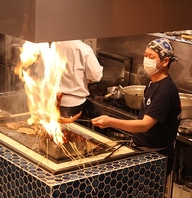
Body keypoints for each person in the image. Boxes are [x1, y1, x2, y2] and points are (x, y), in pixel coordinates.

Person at [92, 38, 181, 180]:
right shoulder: (153, 84)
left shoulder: (166, 91)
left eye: (151, 57)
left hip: (155, 157)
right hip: (142, 150)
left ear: (165, 62)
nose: (146, 60)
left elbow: (145, 125)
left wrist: (110, 122)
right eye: (145, 55)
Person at [55, 40, 103, 118]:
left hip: (50, 101)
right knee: (69, 129)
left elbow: (39, 72)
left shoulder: (50, 46)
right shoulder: (83, 49)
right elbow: (96, 76)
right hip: (74, 103)